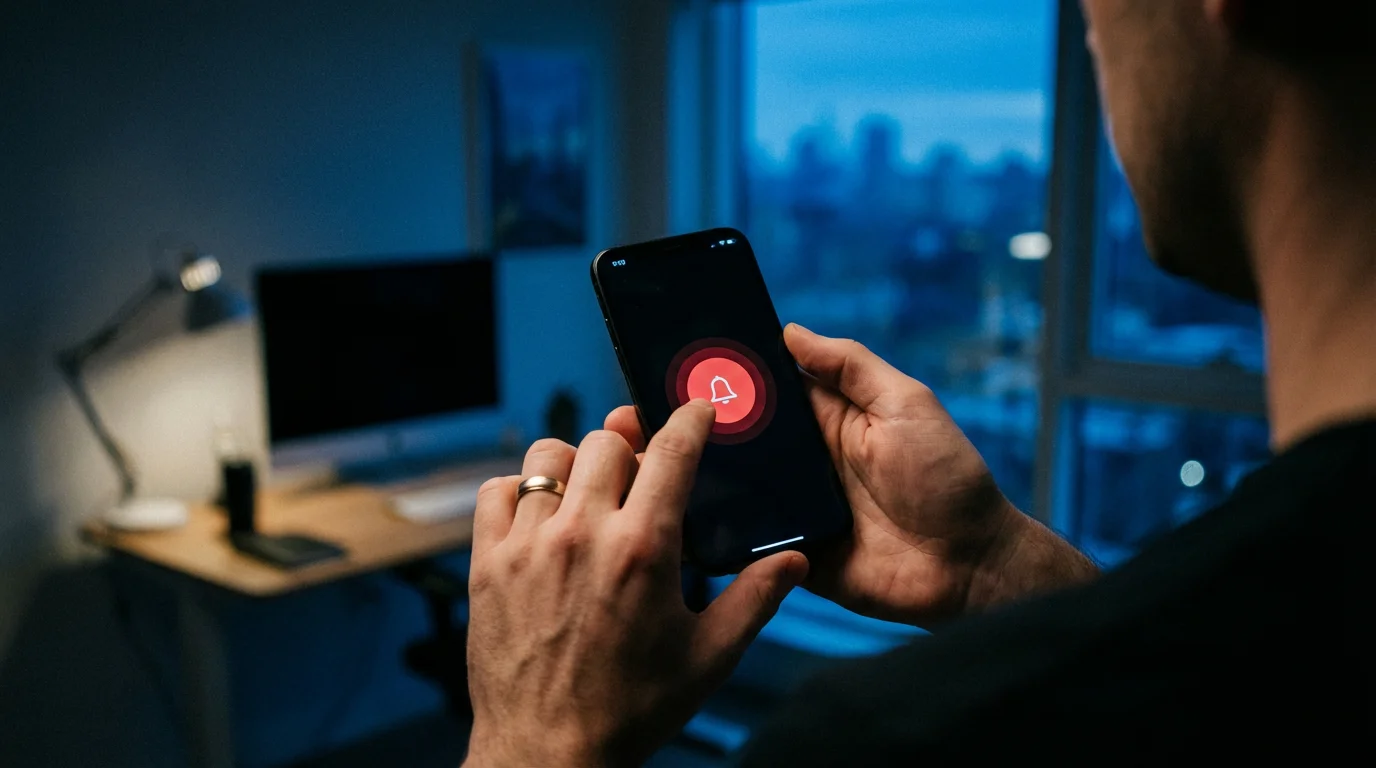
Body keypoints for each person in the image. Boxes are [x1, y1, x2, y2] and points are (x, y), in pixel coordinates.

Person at [462, 1, 1374, 764]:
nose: (1091, 34)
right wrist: (992, 566)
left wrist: (532, 738)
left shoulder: (885, 740)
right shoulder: (1301, 622)